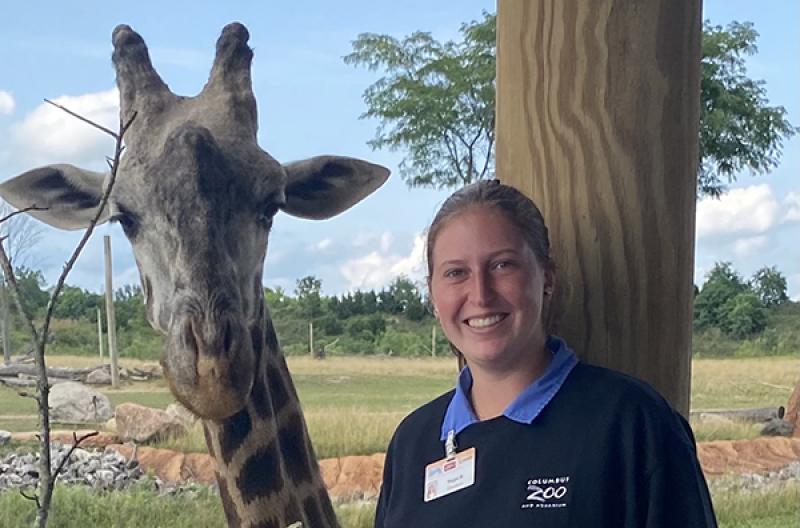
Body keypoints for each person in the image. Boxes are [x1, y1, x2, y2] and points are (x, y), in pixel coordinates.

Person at [375, 180, 717, 527]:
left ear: (547, 278)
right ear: (433, 295)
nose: (480, 294)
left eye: (502, 265)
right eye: (456, 273)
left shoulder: (632, 424)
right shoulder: (412, 442)